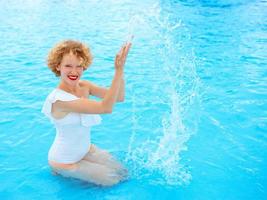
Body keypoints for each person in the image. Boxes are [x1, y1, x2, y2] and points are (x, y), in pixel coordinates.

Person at [41, 39, 132, 186]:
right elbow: (106, 108)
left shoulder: (84, 86)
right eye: (68, 66)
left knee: (123, 173)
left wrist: (121, 69)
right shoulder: (59, 100)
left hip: (86, 150)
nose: (74, 71)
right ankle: (60, 173)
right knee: (112, 181)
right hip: (64, 161)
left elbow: (119, 97)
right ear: (58, 66)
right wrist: (118, 71)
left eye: (79, 66)